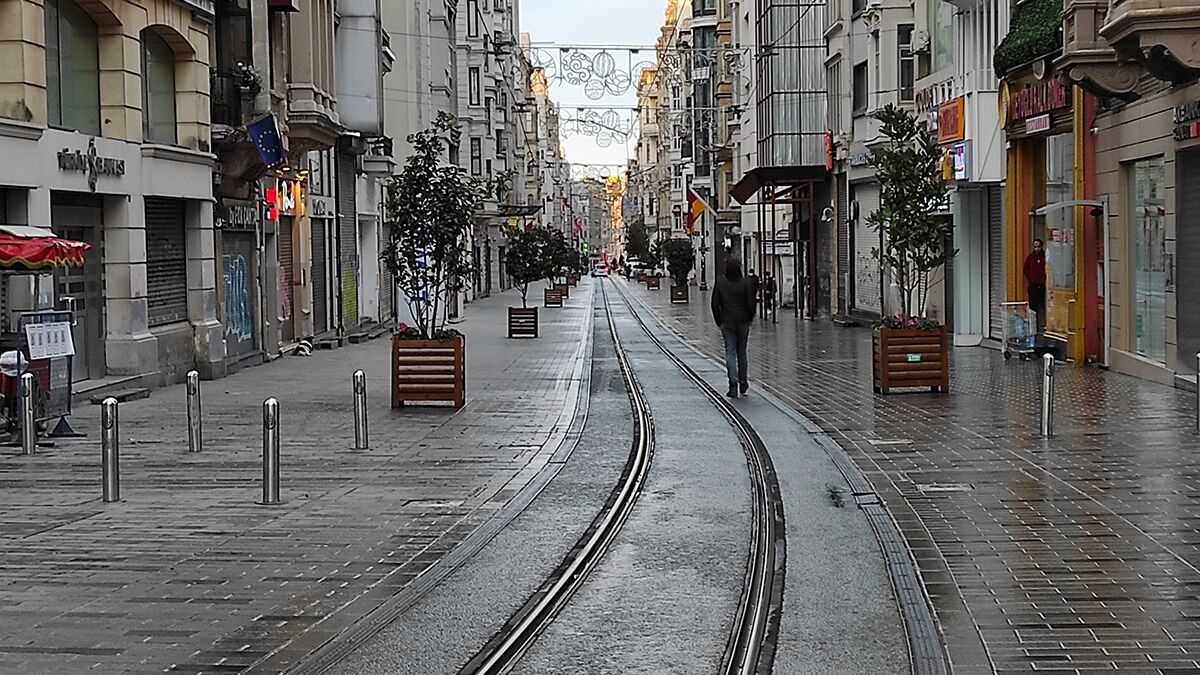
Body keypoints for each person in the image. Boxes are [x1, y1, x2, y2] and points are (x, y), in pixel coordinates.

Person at [711, 255, 757, 398]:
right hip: (742, 322)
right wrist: (749, 318)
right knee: (742, 352)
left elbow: (714, 304)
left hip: (727, 322)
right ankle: (743, 381)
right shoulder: (746, 283)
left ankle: (733, 384)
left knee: (730, 353)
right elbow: (751, 303)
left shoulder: (720, 282)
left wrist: (719, 320)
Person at [1024, 238, 1046, 333]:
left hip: (1042, 285)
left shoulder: (1044, 257)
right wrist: (1031, 279)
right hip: (1033, 285)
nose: (1037, 249)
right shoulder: (1031, 257)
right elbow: (1025, 269)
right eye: (1035, 247)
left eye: (1038, 247)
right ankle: (1034, 328)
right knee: (1033, 308)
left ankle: (1043, 326)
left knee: (1043, 306)